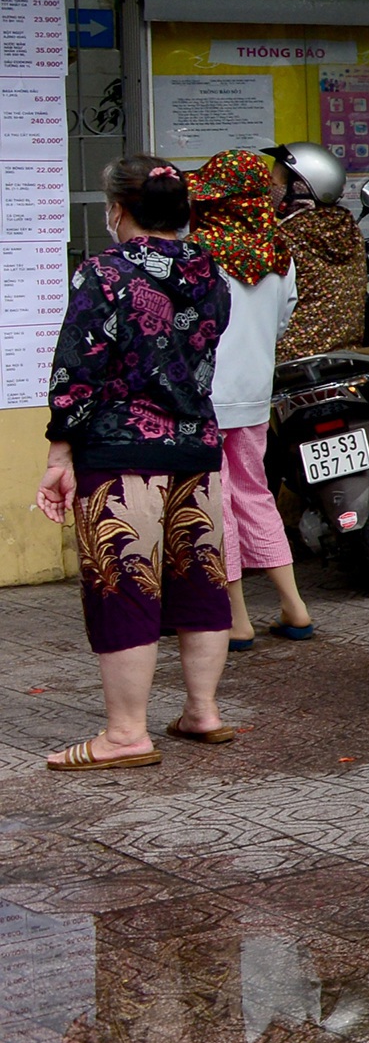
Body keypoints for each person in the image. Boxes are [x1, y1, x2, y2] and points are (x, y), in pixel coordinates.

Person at [36, 156, 235, 771]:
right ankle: (202, 711)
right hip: (197, 447)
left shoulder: (104, 272)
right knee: (200, 576)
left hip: (120, 450)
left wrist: (60, 448)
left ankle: (125, 734)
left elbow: (79, 364)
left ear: (118, 209)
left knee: (122, 582)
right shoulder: (210, 271)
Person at [187, 150, 316, 650]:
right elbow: (282, 322)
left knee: (216, 499)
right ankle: (294, 606)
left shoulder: (197, 254)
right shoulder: (279, 253)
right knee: (254, 492)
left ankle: (236, 618)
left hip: (204, 395)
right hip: (254, 393)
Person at [272, 145, 369, 359]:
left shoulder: (286, 236)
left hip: (292, 362)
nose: (270, 192)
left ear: (299, 188)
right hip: (346, 357)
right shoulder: (349, 228)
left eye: (274, 185)